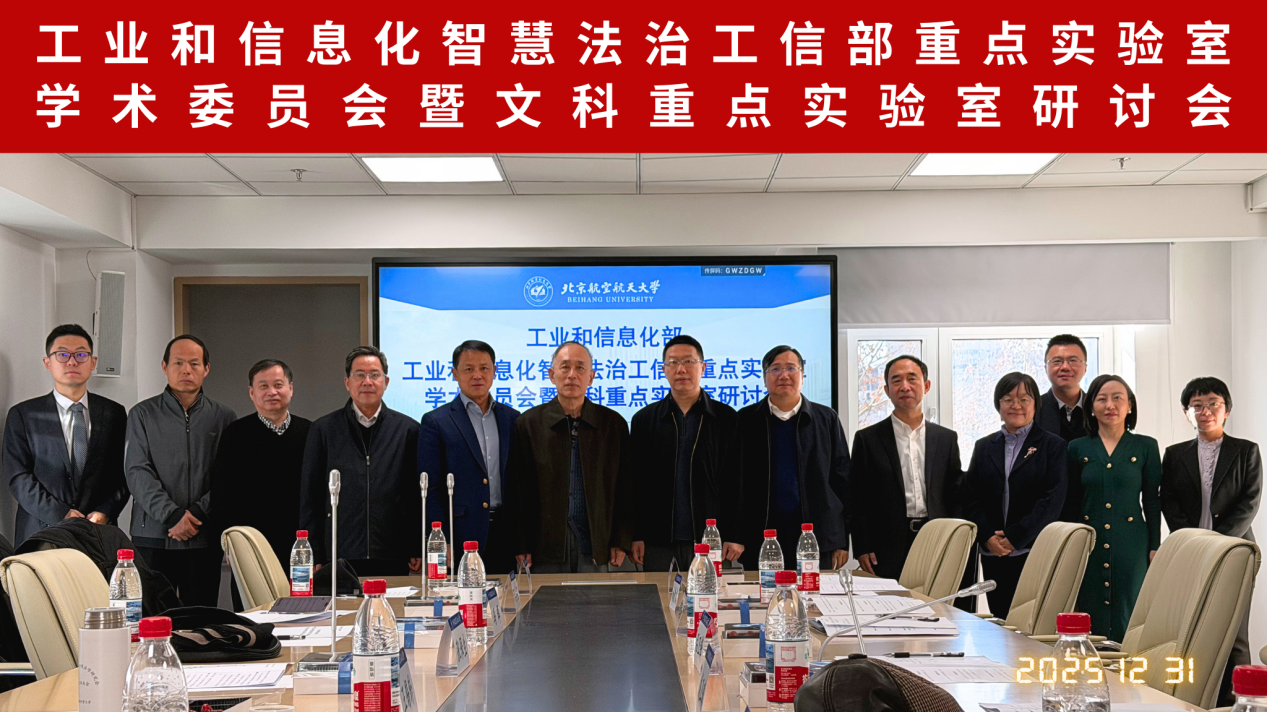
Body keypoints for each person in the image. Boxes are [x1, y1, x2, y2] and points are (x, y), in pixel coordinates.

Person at [1161, 376, 1262, 706]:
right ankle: (1192, 700)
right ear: (1186, 412)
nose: (1205, 411)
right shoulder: (1174, 454)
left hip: (1235, 554)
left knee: (1235, 634)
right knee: (1190, 631)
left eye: (1213, 404)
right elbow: (1169, 503)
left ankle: (1238, 703)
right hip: (1190, 555)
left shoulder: (1246, 451)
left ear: (1226, 410)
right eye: (1197, 406)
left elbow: (1249, 503)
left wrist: (1217, 544)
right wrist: (1195, 543)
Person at [124, 335, 236, 607]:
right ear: (164, 366)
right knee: (151, 616)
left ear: (206, 369)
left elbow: (228, 478)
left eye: (194, 363)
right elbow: (136, 471)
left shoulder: (224, 417)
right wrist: (172, 515)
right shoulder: (142, 414)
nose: (186, 370)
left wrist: (197, 513)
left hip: (203, 536)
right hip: (153, 536)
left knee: (200, 617)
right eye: (178, 363)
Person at [508, 341, 633, 574]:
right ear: (551, 375)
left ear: (591, 377)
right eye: (565, 367)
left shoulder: (613, 424)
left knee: (596, 598)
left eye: (580, 368)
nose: (572, 375)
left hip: (596, 542)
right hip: (544, 545)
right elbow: (518, 491)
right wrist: (521, 543)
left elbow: (624, 489)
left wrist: (621, 538)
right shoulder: (528, 424)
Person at [299, 346, 420, 577]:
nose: (367, 382)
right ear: (347, 382)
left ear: (386, 382)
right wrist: (313, 550)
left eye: (374, 375)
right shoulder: (323, 429)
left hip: (393, 552)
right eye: (360, 375)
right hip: (339, 551)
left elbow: (415, 495)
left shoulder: (408, 430)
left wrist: (416, 545)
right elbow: (310, 496)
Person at [4, 324, 129, 545]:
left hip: (97, 533)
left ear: (93, 362)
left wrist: (105, 511)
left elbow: (123, 473)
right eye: (62, 355)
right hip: (40, 533)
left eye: (81, 354)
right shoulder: (24, 415)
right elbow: (18, 477)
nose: (72, 362)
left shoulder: (114, 413)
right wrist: (61, 514)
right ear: (48, 363)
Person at [629, 335, 743, 572]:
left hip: (711, 537)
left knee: (710, 595)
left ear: (703, 367)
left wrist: (735, 534)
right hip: (657, 539)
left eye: (689, 361)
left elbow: (737, 480)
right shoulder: (644, 420)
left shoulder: (726, 418)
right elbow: (635, 484)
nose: (681, 369)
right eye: (673, 362)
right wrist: (636, 534)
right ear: (663, 370)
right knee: (659, 595)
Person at [736, 345, 850, 571]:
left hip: (815, 538)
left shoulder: (826, 418)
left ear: (802, 375)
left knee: (814, 593)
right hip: (761, 538)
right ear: (765, 378)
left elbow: (842, 481)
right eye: (775, 369)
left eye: (791, 368)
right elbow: (735, 483)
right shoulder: (746, 420)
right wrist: (736, 535)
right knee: (763, 593)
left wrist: (840, 538)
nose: (784, 375)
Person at [1065, 375, 1160, 641]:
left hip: (1132, 542)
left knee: (1130, 610)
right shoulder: (1077, 448)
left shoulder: (1146, 446)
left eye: (1118, 398)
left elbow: (1152, 500)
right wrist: (1071, 544)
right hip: (1088, 543)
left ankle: (1127, 666)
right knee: (1088, 610)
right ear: (1090, 407)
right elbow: (1071, 502)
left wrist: (1155, 545)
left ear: (1129, 405)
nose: (1110, 405)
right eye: (1101, 399)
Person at [962, 372, 1066, 616]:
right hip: (993, 551)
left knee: (1031, 621)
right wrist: (988, 536)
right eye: (1008, 399)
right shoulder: (984, 446)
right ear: (998, 405)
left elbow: (1053, 500)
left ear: (1035, 404)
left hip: (1034, 548)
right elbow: (971, 497)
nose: (1016, 405)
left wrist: (1016, 536)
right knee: (1001, 619)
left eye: (1024, 399)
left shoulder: (1053, 445)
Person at [851, 355, 963, 580]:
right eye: (896, 380)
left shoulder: (946, 439)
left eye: (912, 379)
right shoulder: (868, 439)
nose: (905, 387)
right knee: (890, 601)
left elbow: (955, 493)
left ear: (926, 386)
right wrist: (862, 546)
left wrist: (957, 540)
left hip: (937, 539)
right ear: (886, 390)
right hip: (886, 545)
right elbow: (858, 497)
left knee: (936, 601)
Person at [210, 359, 312, 606]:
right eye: (263, 386)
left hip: (299, 546)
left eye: (278, 385)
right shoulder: (235, 434)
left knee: (302, 611)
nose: (272, 392)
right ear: (251, 392)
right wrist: (230, 544)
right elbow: (222, 494)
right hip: (250, 546)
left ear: (291, 388)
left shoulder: (311, 432)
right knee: (254, 615)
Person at [418, 340, 520, 574]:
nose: (477, 375)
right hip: (460, 534)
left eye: (484, 368)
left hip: (505, 533)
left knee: (505, 596)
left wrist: (522, 540)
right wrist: (440, 539)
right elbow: (431, 489)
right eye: (468, 369)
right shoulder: (436, 421)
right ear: (455, 373)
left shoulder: (512, 418)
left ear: (495, 371)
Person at [1036, 334, 1090, 445]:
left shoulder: (1097, 408)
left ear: (1085, 368)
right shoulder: (1032, 409)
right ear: (1046, 368)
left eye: (1073, 360)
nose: (1065, 367)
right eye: (1057, 361)